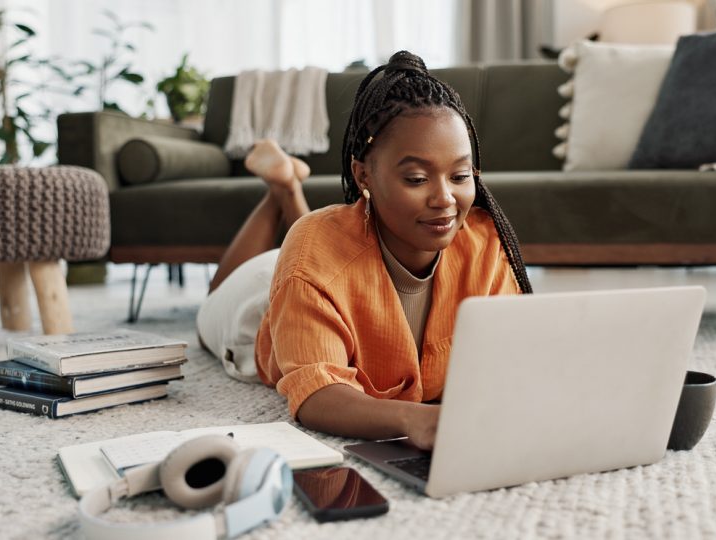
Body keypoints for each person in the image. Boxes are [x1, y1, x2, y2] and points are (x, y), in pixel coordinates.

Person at [197, 51, 533, 450]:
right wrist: (413, 418)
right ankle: (282, 193)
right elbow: (316, 393)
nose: (445, 198)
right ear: (363, 175)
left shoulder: (484, 243)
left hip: (319, 264)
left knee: (313, 244)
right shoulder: (312, 254)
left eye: (460, 175)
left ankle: (287, 188)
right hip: (255, 309)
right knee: (218, 294)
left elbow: (513, 355)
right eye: (417, 178)